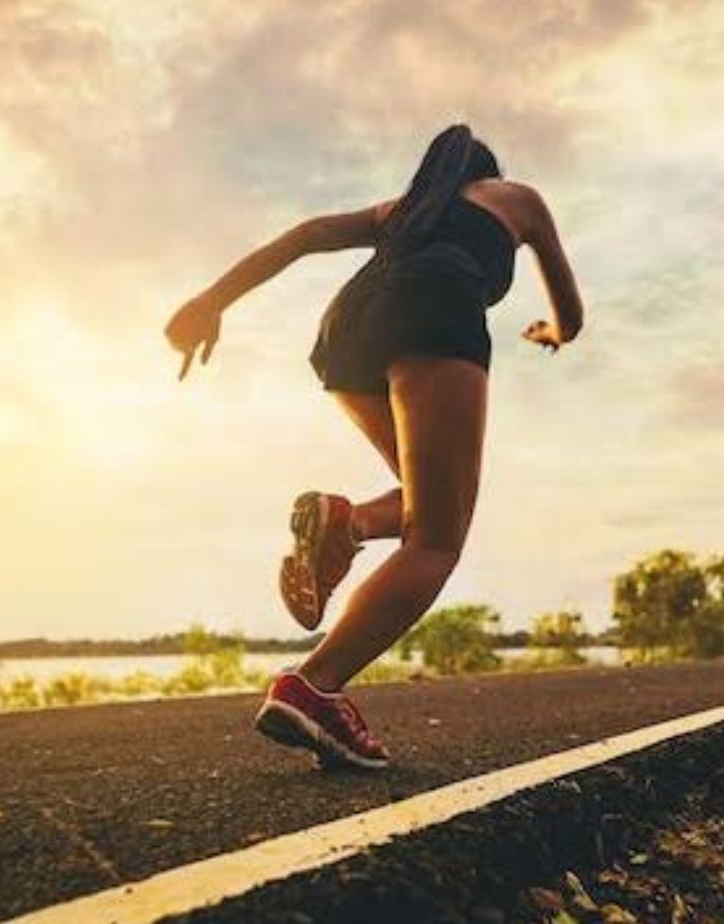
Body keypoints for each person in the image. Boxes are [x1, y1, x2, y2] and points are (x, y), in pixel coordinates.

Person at [163, 124, 584, 769]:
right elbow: (572, 314)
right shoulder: (518, 198)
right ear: (487, 171)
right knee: (438, 539)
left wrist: (211, 301)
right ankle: (315, 685)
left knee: (426, 501)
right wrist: (552, 332)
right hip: (437, 305)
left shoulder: (404, 210)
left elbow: (306, 237)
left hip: (349, 328)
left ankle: (349, 521)